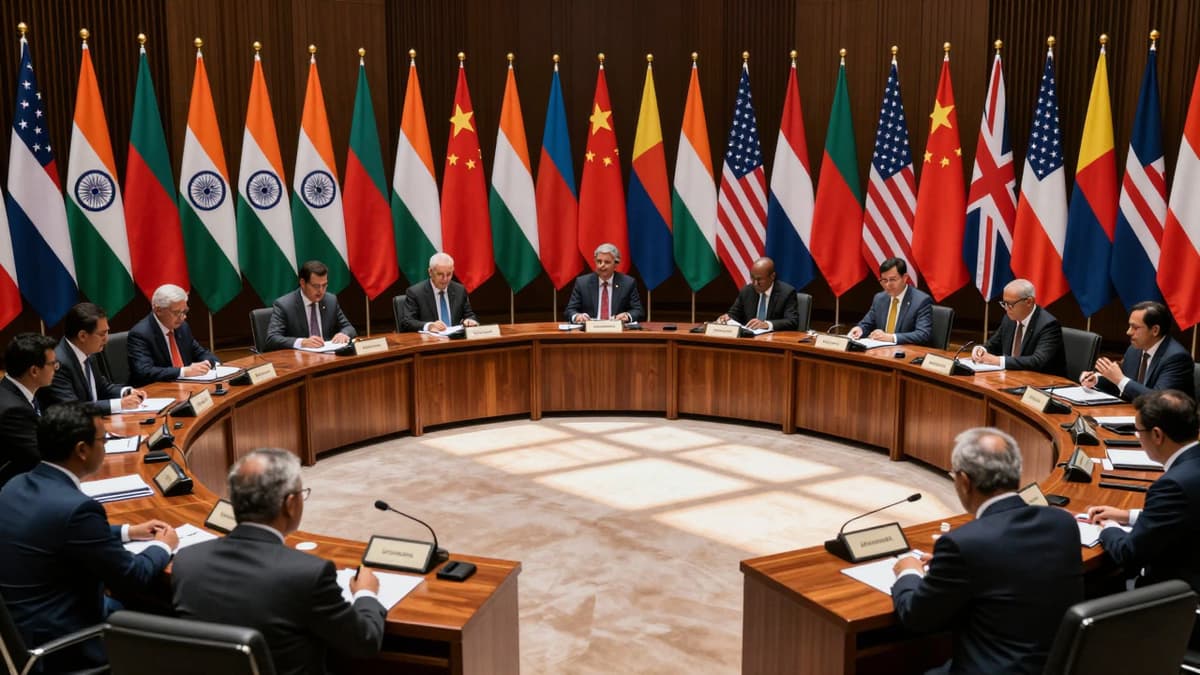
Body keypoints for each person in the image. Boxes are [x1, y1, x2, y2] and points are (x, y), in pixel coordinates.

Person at [172, 448, 386, 675]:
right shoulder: (308, 574)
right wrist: (366, 594)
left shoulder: (187, 561)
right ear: (290, 504)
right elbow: (365, 642)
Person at [891, 427, 1083, 674]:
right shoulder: (1062, 523)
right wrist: (950, 568)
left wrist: (908, 573)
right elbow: (1012, 564)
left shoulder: (962, 544)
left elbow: (917, 617)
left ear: (964, 481)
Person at [0, 404, 177, 671]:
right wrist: (163, 547)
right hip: (65, 646)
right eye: (103, 440)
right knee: (173, 633)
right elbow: (131, 577)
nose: (105, 446)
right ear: (82, 450)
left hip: (25, 631)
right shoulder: (77, 509)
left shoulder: (13, 486)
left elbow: (59, 533)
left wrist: (128, 531)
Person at [1086, 390, 1200, 613]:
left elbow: (1129, 554)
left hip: (1178, 606)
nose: (1138, 439)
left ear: (1157, 435)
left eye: (1138, 432)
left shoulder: (1172, 485)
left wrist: (1107, 527)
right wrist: (1127, 515)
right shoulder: (1188, 472)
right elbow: (1188, 513)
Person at [38, 302, 149, 414]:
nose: (106, 339)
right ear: (82, 336)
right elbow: (72, 408)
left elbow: (101, 388)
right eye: (102, 334)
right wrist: (120, 404)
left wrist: (126, 392)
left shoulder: (88, 352)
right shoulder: (57, 363)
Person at [1080, 300, 1194, 401]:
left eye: (1135, 327)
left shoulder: (1176, 358)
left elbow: (1160, 401)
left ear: (1155, 330)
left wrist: (1120, 379)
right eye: (1130, 326)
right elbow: (1124, 386)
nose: (1128, 332)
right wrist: (1096, 380)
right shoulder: (1134, 350)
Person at [127, 283, 219, 386]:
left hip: (185, 386)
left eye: (184, 311)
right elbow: (144, 371)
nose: (183, 317)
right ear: (158, 310)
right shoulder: (140, 334)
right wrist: (184, 371)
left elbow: (200, 352)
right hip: (155, 392)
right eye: (176, 313)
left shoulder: (183, 327)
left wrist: (208, 363)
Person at [970, 279, 1066, 375]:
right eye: (1004, 304)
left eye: (1010, 304)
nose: (1006, 309)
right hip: (1011, 377)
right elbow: (992, 344)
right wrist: (980, 350)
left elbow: (1037, 361)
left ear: (1029, 301)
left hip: (1041, 382)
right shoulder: (1009, 319)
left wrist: (998, 361)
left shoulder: (1048, 325)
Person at [0, 332, 59, 488]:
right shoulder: (13, 410)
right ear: (34, 371)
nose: (56, 368)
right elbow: (42, 457)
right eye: (52, 364)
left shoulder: (16, 390)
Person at [265, 260, 357, 351]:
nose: (321, 291)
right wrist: (301, 342)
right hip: (300, 360)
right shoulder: (284, 305)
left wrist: (344, 334)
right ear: (302, 283)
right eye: (316, 286)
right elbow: (272, 338)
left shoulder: (330, 301)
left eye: (324, 285)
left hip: (328, 357)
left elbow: (349, 328)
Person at [848, 258, 932, 345]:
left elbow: (923, 334)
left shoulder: (921, 301)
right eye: (884, 280)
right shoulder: (879, 299)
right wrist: (859, 329)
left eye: (892, 280)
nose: (888, 285)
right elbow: (866, 323)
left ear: (905, 278)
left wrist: (891, 337)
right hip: (880, 350)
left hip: (905, 353)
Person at [398, 252, 480, 332]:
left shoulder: (460, 290)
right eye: (440, 274)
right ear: (430, 272)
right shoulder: (415, 292)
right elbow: (407, 322)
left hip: (455, 340)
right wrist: (429, 326)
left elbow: (469, 315)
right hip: (430, 342)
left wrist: (470, 321)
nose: (445, 279)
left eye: (449, 274)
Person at [565, 243, 645, 324]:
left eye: (607, 262)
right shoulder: (582, 283)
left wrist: (627, 316)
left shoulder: (627, 283)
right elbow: (570, 310)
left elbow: (638, 310)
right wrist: (577, 316)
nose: (601, 265)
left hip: (617, 332)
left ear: (616, 264)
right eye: (599, 261)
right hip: (590, 332)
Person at [716, 257, 800, 332]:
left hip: (773, 341)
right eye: (752, 278)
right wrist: (726, 318)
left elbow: (792, 321)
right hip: (749, 340)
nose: (755, 283)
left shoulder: (786, 292)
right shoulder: (747, 291)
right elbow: (734, 314)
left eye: (759, 279)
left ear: (772, 276)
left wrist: (767, 324)